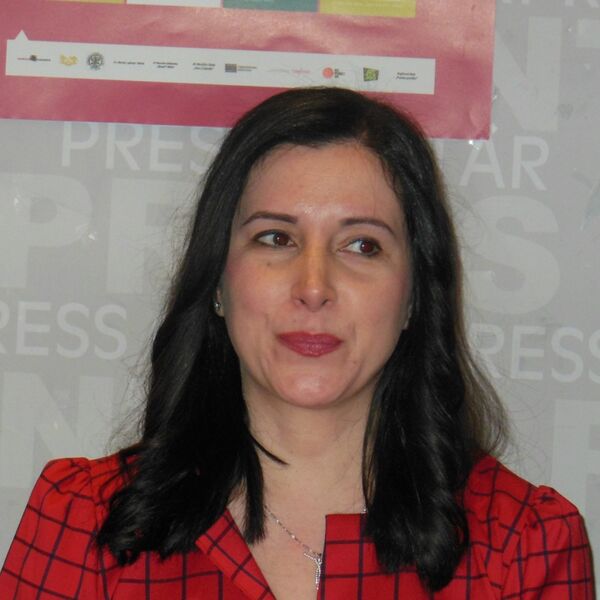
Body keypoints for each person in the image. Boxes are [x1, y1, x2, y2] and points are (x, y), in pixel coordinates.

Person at [0, 87, 594, 599]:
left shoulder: (524, 547)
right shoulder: (83, 520)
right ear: (218, 282)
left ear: (415, 296)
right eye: (276, 238)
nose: (313, 287)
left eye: (362, 245)